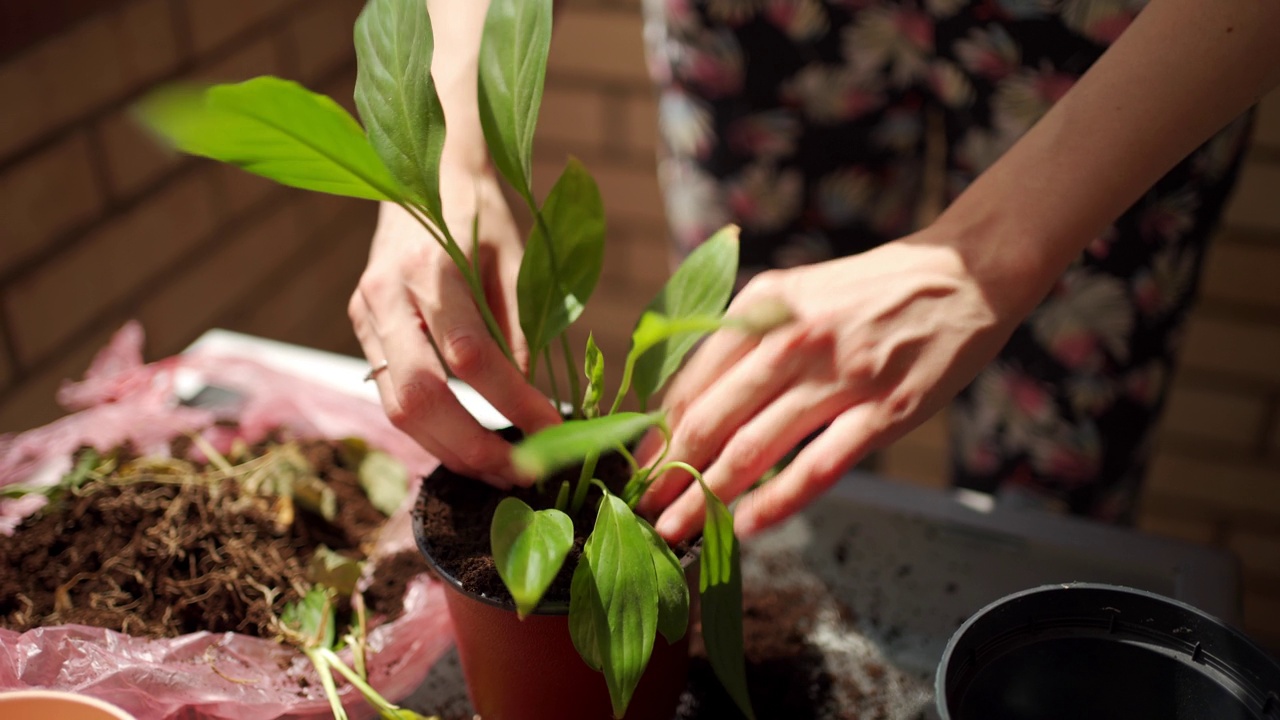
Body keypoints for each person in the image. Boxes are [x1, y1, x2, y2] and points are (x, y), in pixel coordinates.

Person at [349, 0, 1280, 543]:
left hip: (1125, 33)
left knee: (1056, 487)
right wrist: (442, 149)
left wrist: (996, 256)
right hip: (767, 22)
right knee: (746, 438)